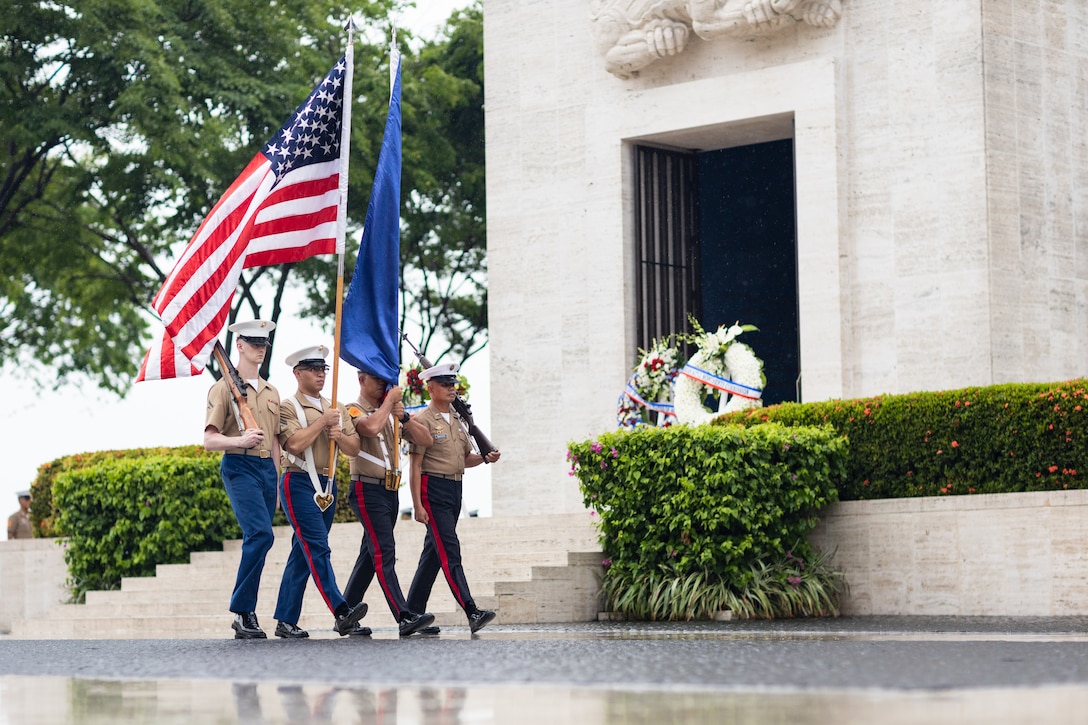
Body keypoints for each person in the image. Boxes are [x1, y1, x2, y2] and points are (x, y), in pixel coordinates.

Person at [272, 345, 368, 638]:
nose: (320, 374)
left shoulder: (334, 406)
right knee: (317, 548)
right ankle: (341, 611)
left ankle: (285, 620)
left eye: (323, 369)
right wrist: (322, 422)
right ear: (297, 373)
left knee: (303, 554)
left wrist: (339, 433)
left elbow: (354, 448)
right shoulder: (288, 406)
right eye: (313, 369)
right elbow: (294, 444)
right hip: (299, 481)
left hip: (326, 485)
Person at [405, 362, 502, 633]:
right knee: (450, 551)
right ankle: (471, 611)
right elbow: (415, 464)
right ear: (431, 387)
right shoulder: (422, 421)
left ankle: (412, 614)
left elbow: (463, 459)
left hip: (455, 489)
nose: (451, 388)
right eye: (445, 384)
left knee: (433, 555)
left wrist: (484, 457)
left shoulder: (458, 421)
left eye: (453, 384)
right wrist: (417, 504)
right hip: (432, 489)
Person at [342, 370, 437, 637]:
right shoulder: (351, 409)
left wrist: (403, 415)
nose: (384, 385)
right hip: (366, 488)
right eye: (378, 380)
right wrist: (389, 403)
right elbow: (369, 428)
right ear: (361, 379)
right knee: (384, 551)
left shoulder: (390, 412)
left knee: (369, 556)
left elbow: (425, 439)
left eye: (386, 380)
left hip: (389, 492)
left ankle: (346, 613)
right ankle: (404, 615)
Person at [203, 320, 281, 639]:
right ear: (239, 345)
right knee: (261, 535)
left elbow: (274, 440)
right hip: (238, 466)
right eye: (253, 343)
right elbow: (209, 440)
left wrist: (275, 478)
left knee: (259, 540)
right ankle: (242, 610)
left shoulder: (272, 391)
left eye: (263, 343)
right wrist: (238, 441)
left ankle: (246, 613)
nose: (260, 349)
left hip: (265, 470)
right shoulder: (222, 388)